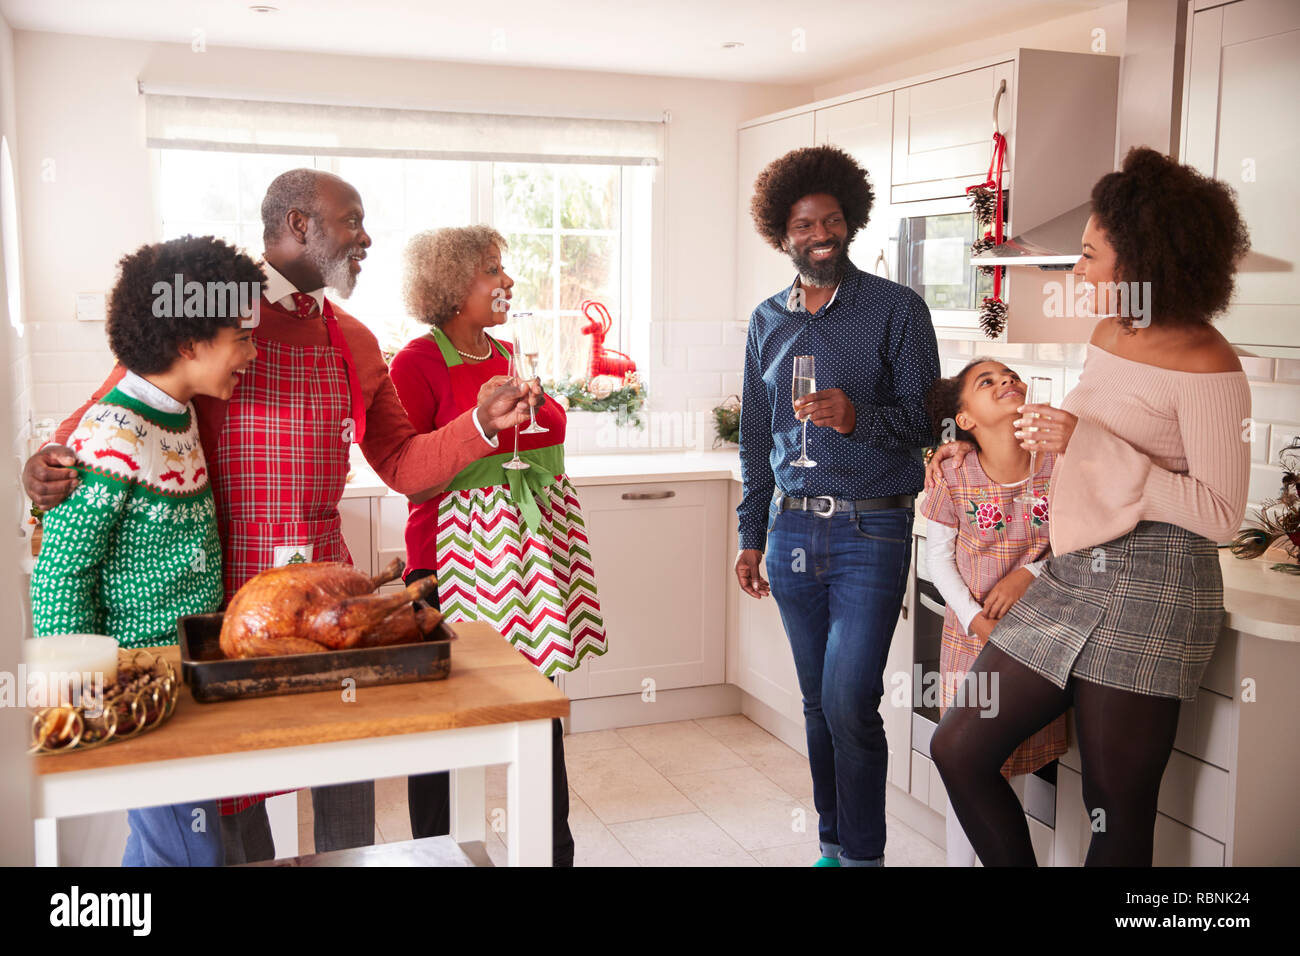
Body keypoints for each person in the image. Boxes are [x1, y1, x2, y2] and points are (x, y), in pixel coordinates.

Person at [23, 169, 539, 865]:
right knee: (226, 800)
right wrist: (44, 466)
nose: (366, 237)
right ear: (299, 225)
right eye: (351, 221)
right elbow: (103, 420)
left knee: (345, 774)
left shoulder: (351, 339)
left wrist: (477, 424)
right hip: (219, 605)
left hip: (327, 600)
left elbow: (404, 462)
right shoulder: (206, 318)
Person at [926, 147, 1251, 866]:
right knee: (958, 745)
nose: (1077, 271)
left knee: (1113, 810)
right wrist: (982, 455)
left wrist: (1093, 446)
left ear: (1141, 262)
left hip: (1157, 584)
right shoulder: (1112, 334)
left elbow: (1224, 512)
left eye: (1088, 255)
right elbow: (1092, 452)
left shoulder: (1209, 363)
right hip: (1077, 574)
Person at [734, 144, 940, 866]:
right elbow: (758, 436)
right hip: (791, 527)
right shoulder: (766, 321)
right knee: (819, 704)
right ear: (780, 234)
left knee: (851, 701)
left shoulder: (896, 310)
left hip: (871, 526)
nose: (818, 234)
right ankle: (831, 842)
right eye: (802, 224)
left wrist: (859, 419)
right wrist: (750, 532)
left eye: (830, 221)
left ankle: (864, 857)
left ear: (849, 224)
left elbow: (927, 423)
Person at [31, 235, 262, 866]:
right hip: (139, 691)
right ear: (190, 343)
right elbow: (61, 570)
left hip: (176, 682)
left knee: (168, 849)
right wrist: (77, 701)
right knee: (189, 856)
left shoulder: (175, 413)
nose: (252, 350)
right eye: (241, 336)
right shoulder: (114, 434)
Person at [389, 226, 607, 867]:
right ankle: (433, 854)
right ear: (454, 287)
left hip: (529, 553)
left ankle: (551, 853)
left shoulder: (507, 350)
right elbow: (416, 468)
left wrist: (525, 418)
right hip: (444, 562)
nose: (507, 280)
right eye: (492, 269)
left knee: (537, 710)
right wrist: (492, 427)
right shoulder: (415, 362)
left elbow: (550, 425)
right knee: (438, 724)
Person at [920, 359, 1066, 866]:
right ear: (965, 421)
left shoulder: (1058, 463)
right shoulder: (952, 471)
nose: (1007, 382)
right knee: (966, 766)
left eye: (1010, 376)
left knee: (1009, 763)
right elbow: (935, 560)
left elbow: (1082, 544)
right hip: (973, 641)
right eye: (988, 382)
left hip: (1038, 645)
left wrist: (1031, 574)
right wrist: (975, 618)